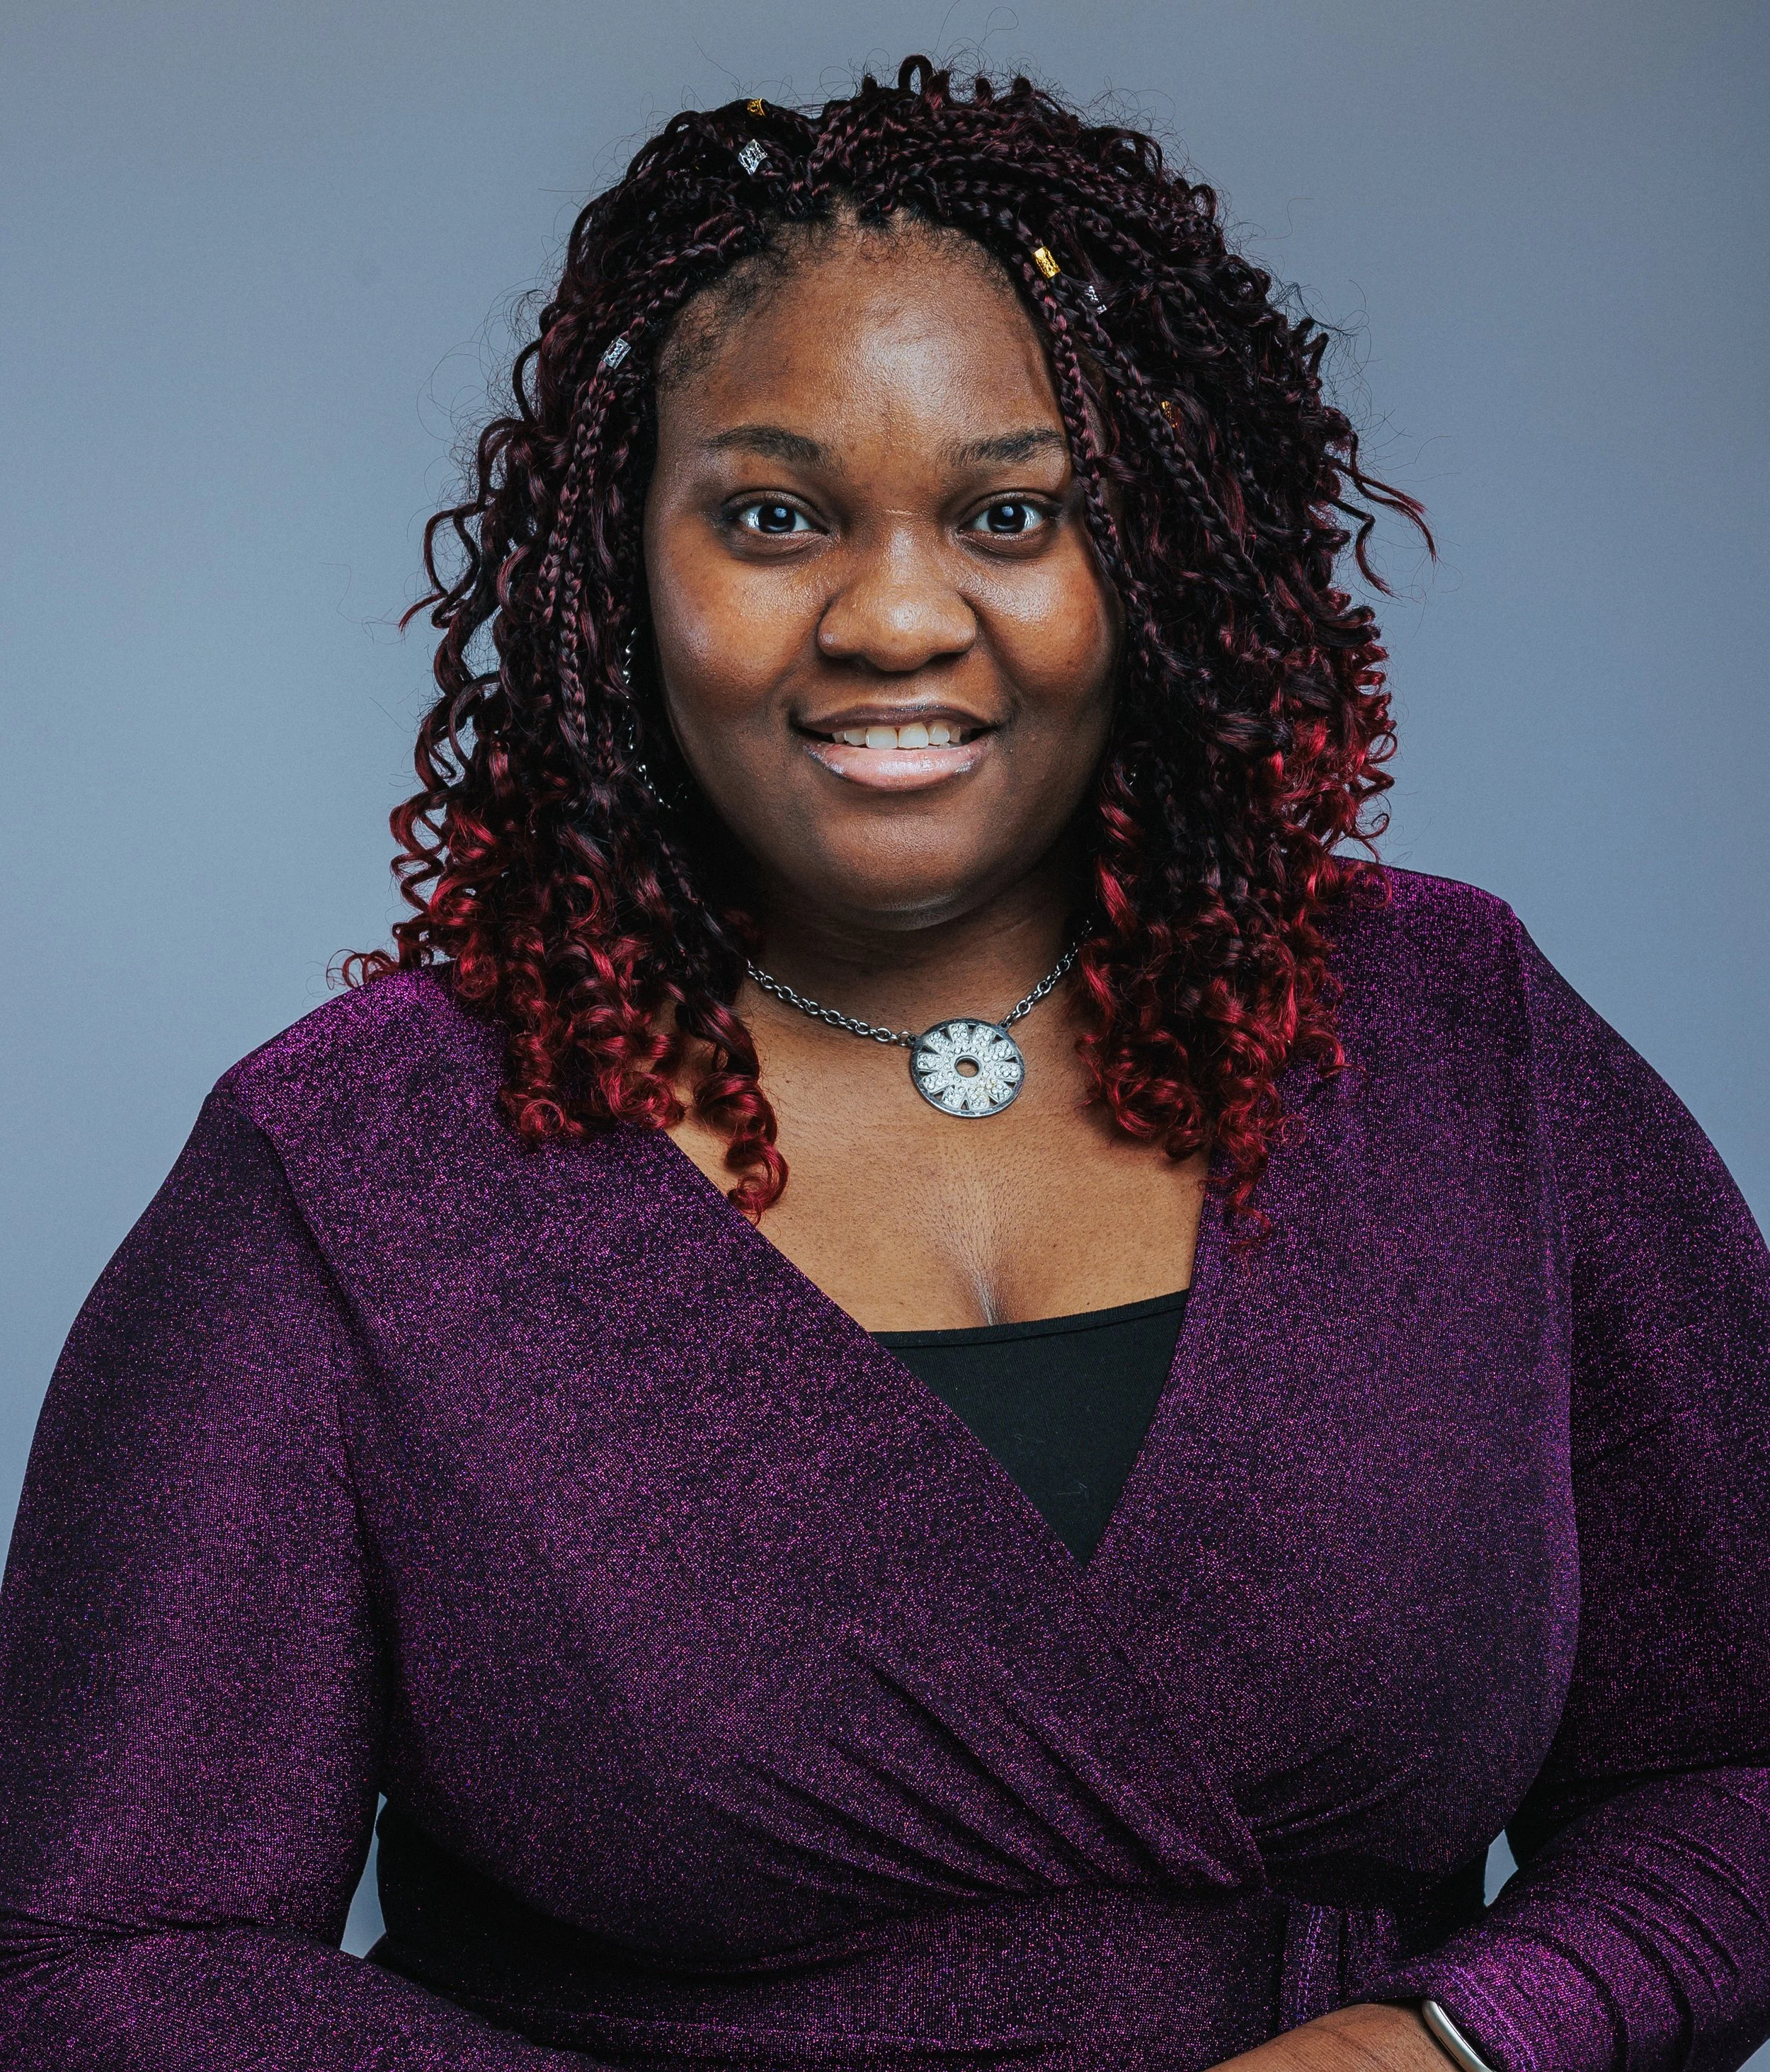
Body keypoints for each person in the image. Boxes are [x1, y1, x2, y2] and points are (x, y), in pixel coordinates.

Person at [0, 57, 1764, 2072]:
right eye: (774, 516)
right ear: (618, 565)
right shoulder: (351, 1171)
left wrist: (1454, 2039)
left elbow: (1736, 1759)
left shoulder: (1453, 1040)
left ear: (1163, 552)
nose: (898, 614)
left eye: (1013, 514)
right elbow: (110, 1953)